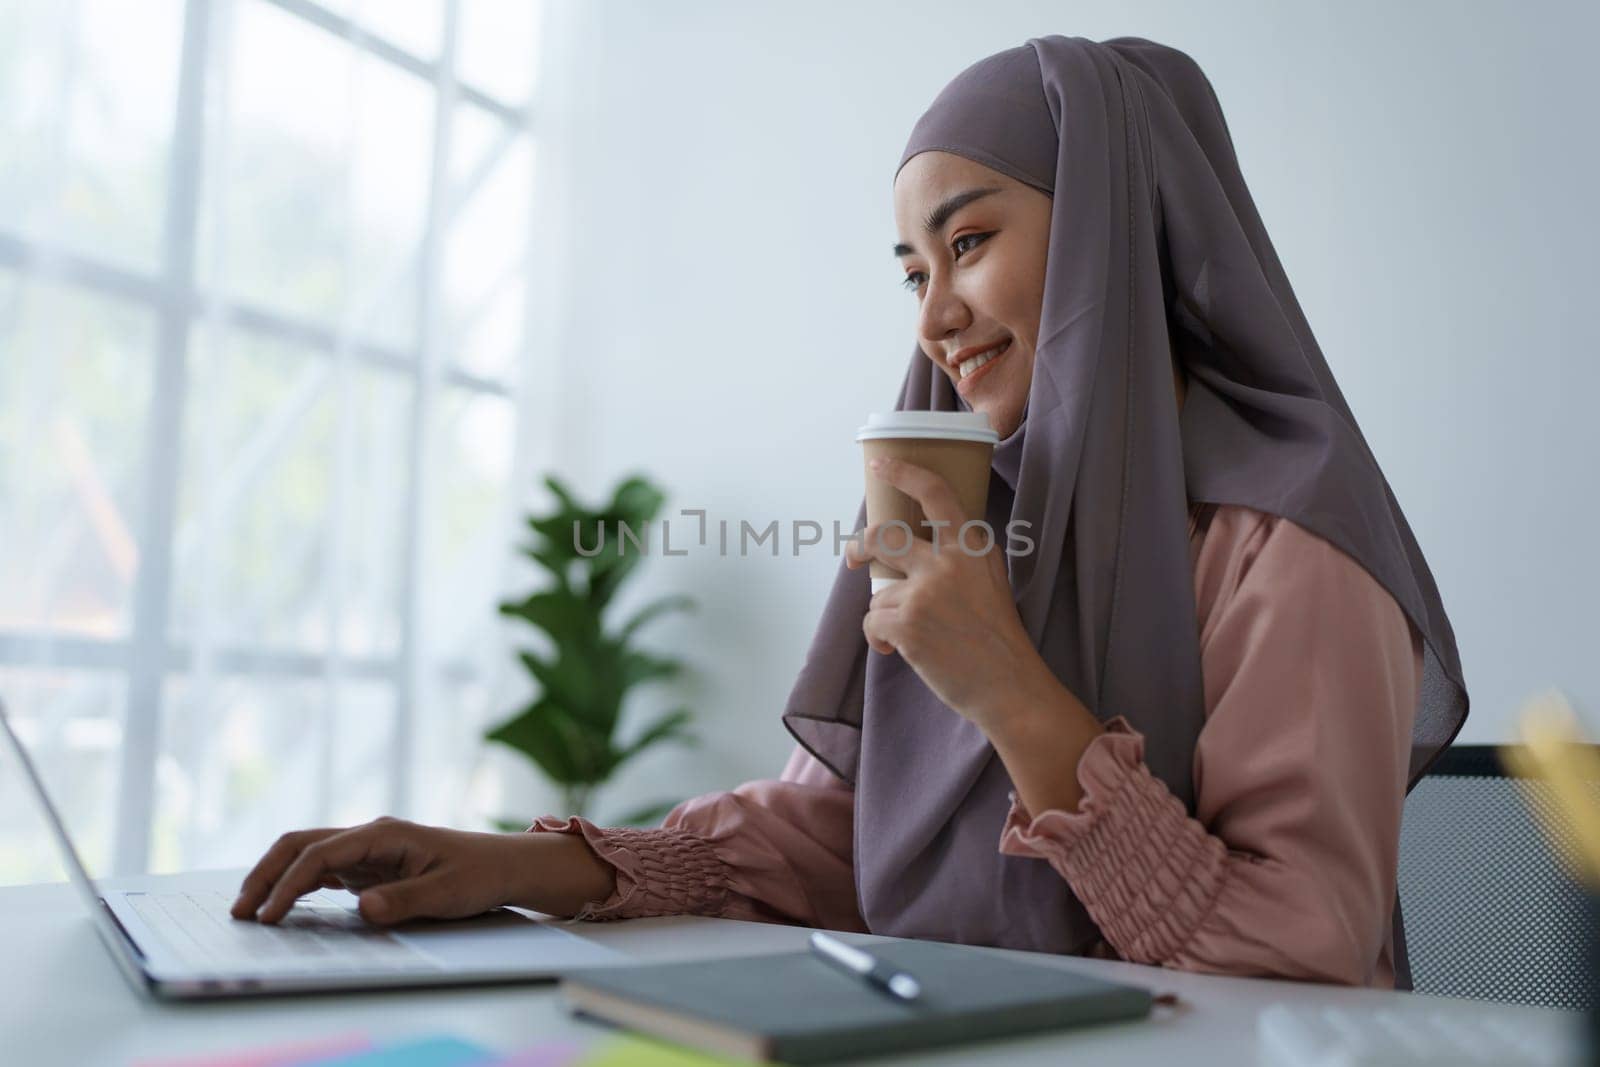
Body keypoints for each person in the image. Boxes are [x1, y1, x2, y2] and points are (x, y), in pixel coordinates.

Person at [230, 36, 1468, 989]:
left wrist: (1010, 692)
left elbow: (1291, 955)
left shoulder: (1286, 536)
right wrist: (518, 864)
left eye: (969, 241)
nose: (932, 317)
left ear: (1111, 234)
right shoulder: (986, 506)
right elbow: (842, 834)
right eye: (914, 272)